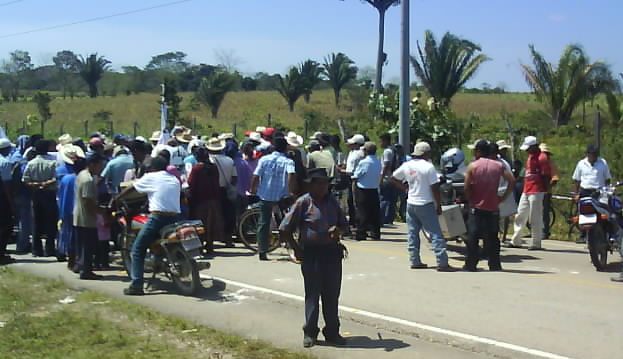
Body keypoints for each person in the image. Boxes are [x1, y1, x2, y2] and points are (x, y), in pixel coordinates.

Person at [279, 168, 348, 348]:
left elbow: (345, 225)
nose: (323, 186)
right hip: (311, 254)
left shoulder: (333, 202)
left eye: (325, 183)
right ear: (311, 185)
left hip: (332, 253)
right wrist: (296, 249)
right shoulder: (303, 203)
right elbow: (284, 229)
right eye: (319, 183)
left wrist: (338, 230)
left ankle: (332, 332)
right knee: (312, 295)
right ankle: (310, 332)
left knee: (332, 295)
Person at [118, 155, 182, 296]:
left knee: (137, 249)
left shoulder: (150, 177)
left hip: (158, 218)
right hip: (175, 218)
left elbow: (131, 188)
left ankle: (136, 285)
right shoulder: (173, 178)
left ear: (153, 167)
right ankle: (159, 257)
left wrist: (117, 198)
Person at [391, 142, 454, 271]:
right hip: (425, 203)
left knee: (413, 234)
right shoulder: (428, 167)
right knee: (435, 233)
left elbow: (393, 178)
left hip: (411, 203)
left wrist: (405, 189)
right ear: (427, 153)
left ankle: (414, 260)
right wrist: (438, 204)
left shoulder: (407, 165)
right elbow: (434, 187)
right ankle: (442, 262)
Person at [463, 140, 515, 271]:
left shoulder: (473, 166)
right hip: (493, 206)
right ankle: (494, 264)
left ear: (478, 152)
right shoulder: (498, 166)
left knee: (473, 236)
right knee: (492, 237)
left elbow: (467, 186)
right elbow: (512, 181)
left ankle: (471, 264)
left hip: (477, 206)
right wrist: (502, 198)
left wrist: (470, 199)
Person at [249, 137, 296, 261]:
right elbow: (291, 175)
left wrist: (252, 189)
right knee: (286, 221)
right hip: (281, 196)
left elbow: (256, 175)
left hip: (265, 194)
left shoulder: (264, 160)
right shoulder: (288, 161)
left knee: (263, 222)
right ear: (285, 148)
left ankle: (262, 250)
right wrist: (291, 191)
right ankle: (289, 243)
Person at [508, 136, 551, 250]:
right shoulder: (530, 157)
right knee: (520, 215)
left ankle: (536, 243)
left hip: (537, 190)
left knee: (535, 217)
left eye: (528, 148)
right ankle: (516, 240)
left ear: (534, 147)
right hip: (527, 189)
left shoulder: (542, 158)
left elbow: (546, 175)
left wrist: (545, 190)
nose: (527, 150)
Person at [22, 139, 59, 258]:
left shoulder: (31, 163)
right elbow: (56, 177)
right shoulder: (53, 162)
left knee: (36, 221)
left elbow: (25, 180)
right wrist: (45, 183)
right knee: (50, 222)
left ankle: (36, 249)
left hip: (36, 194)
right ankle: (50, 249)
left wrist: (37, 185)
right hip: (49, 193)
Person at [73, 152, 106, 280]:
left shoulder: (82, 175)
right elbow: (88, 201)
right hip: (86, 218)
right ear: (92, 164)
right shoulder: (88, 180)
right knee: (88, 246)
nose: (101, 168)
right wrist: (99, 212)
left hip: (79, 216)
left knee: (82, 244)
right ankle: (86, 271)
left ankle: (80, 265)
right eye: (100, 165)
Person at [572, 144, 611, 243]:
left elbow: (607, 179)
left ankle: (604, 234)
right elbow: (577, 180)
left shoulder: (602, 163)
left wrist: (607, 191)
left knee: (602, 214)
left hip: (599, 191)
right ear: (587, 154)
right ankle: (583, 235)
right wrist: (576, 194)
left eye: (595, 154)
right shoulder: (581, 163)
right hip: (585, 191)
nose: (593, 156)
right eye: (591, 154)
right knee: (583, 214)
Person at [188, 147, 223, 255]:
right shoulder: (214, 168)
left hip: (200, 200)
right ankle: (210, 245)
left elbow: (191, 183)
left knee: (199, 224)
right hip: (213, 199)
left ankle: (199, 246)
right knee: (211, 223)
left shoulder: (196, 169)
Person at [57, 145, 86, 264]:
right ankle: (76, 258)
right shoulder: (83, 179)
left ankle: (67, 254)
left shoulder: (65, 178)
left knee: (66, 232)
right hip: (79, 210)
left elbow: (61, 195)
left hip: (66, 208)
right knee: (77, 236)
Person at [207, 137, 237, 247]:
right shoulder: (230, 160)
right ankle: (228, 239)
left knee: (211, 215)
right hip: (225, 189)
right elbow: (234, 178)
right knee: (228, 214)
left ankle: (211, 239)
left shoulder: (208, 161)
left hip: (211, 190)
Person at [352, 141, 382, 241]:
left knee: (362, 211)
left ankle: (361, 233)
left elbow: (358, 175)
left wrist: (352, 176)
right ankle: (375, 233)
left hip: (363, 189)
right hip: (374, 188)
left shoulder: (364, 162)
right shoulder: (378, 161)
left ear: (366, 151)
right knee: (374, 212)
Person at [341, 134, 365, 228]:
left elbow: (351, 171)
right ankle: (353, 220)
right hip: (350, 179)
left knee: (355, 201)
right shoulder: (352, 153)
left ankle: (356, 222)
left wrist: (341, 170)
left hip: (355, 179)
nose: (349, 145)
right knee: (350, 201)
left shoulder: (358, 154)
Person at [0, 138, 16, 264]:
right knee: (6, 225)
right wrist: (11, 203)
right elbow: (6, 186)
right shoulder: (4, 162)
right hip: (2, 199)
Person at [379, 133, 400, 226]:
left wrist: (381, 178)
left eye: (381, 141)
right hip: (393, 177)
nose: (380, 143)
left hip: (387, 178)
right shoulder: (393, 150)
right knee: (391, 199)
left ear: (385, 141)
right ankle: (389, 218)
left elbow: (386, 165)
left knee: (384, 198)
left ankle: (383, 218)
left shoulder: (387, 151)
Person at [539, 143, 559, 239]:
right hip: (538, 190)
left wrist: (548, 187)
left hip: (546, 191)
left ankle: (545, 231)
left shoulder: (550, 163)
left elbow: (555, 178)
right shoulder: (539, 163)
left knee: (545, 212)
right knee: (540, 212)